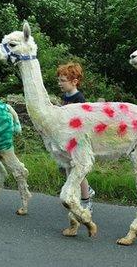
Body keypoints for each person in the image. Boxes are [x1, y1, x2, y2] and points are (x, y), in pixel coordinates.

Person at [56, 62, 95, 211]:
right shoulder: (65, 96)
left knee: (76, 170)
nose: (60, 83)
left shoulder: (79, 98)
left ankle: (86, 201)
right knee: (66, 168)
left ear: (74, 82)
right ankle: (85, 191)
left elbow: (82, 120)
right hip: (67, 139)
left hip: (77, 140)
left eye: (63, 81)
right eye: (59, 80)